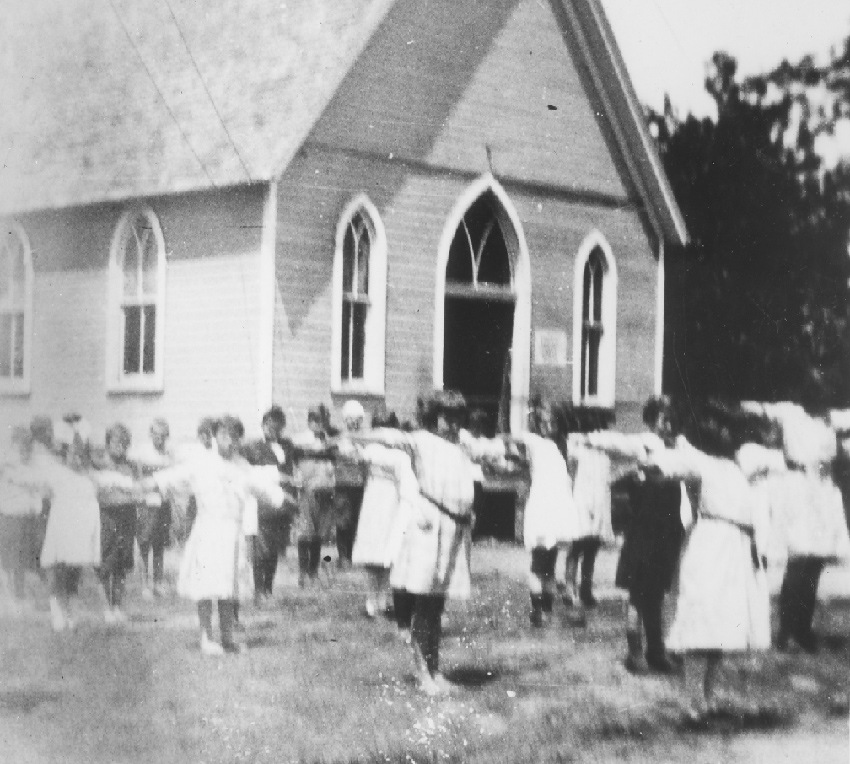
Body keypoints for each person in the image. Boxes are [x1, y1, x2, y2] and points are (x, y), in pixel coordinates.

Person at [648, 424, 771, 722]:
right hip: (711, 546)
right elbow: (662, 466)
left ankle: (708, 698)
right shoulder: (700, 461)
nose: (729, 434)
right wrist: (656, 462)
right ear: (712, 436)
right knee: (703, 624)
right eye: (722, 429)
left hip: (737, 549)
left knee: (724, 627)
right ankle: (693, 702)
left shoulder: (738, 466)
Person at [144, 416, 284, 655]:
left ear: (239, 440)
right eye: (224, 436)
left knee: (228, 588)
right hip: (208, 531)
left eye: (234, 437)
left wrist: (283, 499)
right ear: (215, 436)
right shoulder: (201, 463)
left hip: (233, 535)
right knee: (207, 587)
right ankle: (206, 637)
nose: (228, 442)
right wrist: (142, 484)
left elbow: (264, 488)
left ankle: (227, 637)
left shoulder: (242, 466)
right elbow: (171, 477)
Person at [391, 391, 476, 695]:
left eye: (458, 418)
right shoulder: (421, 441)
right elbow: (388, 438)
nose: (453, 424)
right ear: (433, 417)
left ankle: (435, 669)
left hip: (454, 530)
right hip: (429, 527)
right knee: (424, 603)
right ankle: (421, 673)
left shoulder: (462, 446)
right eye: (447, 418)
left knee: (436, 605)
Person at [609, 396, 685, 674]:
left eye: (673, 421)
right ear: (652, 422)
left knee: (655, 597)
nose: (669, 426)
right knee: (638, 598)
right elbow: (619, 487)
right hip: (643, 536)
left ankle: (657, 651)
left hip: (666, 534)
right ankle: (635, 653)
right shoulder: (643, 449)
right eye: (664, 420)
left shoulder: (675, 452)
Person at [516, 403, 579, 627]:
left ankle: (548, 607)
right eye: (544, 423)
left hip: (559, 510)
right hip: (541, 510)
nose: (549, 427)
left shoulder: (566, 446)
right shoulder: (534, 442)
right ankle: (537, 608)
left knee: (551, 562)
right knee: (539, 561)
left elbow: (570, 477)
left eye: (553, 422)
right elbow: (514, 438)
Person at [38, 417, 102, 632]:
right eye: (73, 455)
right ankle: (57, 610)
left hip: (79, 534)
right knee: (57, 571)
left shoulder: (88, 478)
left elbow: (110, 480)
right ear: (65, 455)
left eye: (81, 456)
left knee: (74, 572)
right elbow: (35, 481)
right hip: (59, 530)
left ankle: (71, 611)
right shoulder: (57, 474)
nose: (77, 460)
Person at [242, 406, 297, 601]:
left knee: (274, 548)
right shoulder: (252, 447)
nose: (271, 431)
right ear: (263, 425)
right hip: (261, 502)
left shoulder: (287, 447)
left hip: (281, 503)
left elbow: (291, 472)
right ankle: (258, 590)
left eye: (276, 428)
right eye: (268, 426)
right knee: (261, 549)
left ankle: (268, 588)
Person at [93, 423, 143, 623]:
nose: (120, 446)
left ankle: (118, 606)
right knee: (105, 563)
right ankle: (107, 607)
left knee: (122, 562)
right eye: (116, 441)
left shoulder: (131, 466)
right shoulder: (99, 464)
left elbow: (138, 490)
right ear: (107, 443)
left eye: (124, 442)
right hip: (106, 516)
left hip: (127, 515)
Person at [0, 426, 49, 609]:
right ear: (14, 444)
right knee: (12, 560)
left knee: (21, 559)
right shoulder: (6, 462)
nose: (25, 448)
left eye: (27, 444)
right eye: (21, 444)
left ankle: (18, 596)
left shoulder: (33, 463)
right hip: (10, 516)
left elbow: (40, 487)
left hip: (27, 517)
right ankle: (14, 598)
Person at [291, 408, 336, 587]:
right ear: (309, 422)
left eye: (323, 421)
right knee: (305, 531)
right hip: (307, 490)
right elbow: (293, 462)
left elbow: (333, 464)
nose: (319, 425)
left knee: (318, 533)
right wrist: (297, 479)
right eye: (316, 421)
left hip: (325, 490)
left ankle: (313, 570)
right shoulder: (300, 440)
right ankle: (302, 572)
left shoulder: (330, 441)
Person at [132, 418, 174, 599]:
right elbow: (137, 477)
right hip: (147, 504)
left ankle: (158, 582)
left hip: (163, 503)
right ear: (151, 434)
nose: (160, 439)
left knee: (159, 545)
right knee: (144, 544)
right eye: (157, 435)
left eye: (164, 436)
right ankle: (145, 584)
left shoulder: (168, 454)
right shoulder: (141, 452)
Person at [333, 401, 367, 570]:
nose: (354, 422)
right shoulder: (339, 439)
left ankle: (352, 555)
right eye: (350, 419)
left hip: (360, 485)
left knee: (355, 520)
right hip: (343, 485)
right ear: (345, 420)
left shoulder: (365, 439)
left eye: (357, 419)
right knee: (342, 521)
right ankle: (343, 556)